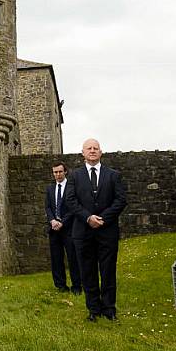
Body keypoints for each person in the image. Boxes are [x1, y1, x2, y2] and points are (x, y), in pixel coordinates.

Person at [65, 138, 127, 322]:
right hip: (83, 232)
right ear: (82, 153)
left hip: (107, 231)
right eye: (89, 148)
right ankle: (93, 309)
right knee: (88, 271)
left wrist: (103, 218)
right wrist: (87, 217)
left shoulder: (113, 175)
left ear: (101, 152)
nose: (92, 151)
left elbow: (120, 200)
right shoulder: (74, 177)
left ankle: (109, 309)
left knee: (108, 270)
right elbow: (70, 201)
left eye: (95, 148)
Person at [45, 162, 81, 295]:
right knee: (56, 258)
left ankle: (77, 286)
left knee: (73, 258)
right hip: (54, 229)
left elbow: (74, 207)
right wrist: (52, 220)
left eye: (60, 172)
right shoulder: (50, 188)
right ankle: (60, 286)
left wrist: (62, 222)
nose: (57, 174)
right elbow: (48, 207)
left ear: (65, 172)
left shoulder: (72, 188)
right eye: (55, 172)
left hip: (69, 228)